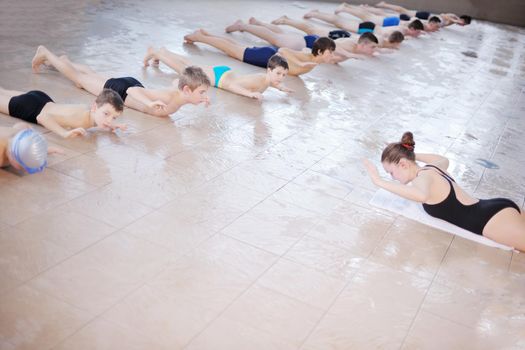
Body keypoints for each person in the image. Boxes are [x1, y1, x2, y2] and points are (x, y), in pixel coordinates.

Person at [363, 132, 525, 251]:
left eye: (391, 172)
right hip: (495, 208)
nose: (392, 177)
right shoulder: (433, 168)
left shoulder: (422, 179)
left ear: (403, 164)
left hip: (491, 221)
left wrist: (379, 181)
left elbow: (421, 195)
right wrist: (409, 154)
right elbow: (443, 159)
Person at [31, 45, 210, 118]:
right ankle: (46, 53)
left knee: (89, 78)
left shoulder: (180, 92)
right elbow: (132, 92)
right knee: (79, 79)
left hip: (130, 84)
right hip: (123, 90)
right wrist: (150, 102)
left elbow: (176, 82)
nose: (204, 96)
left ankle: (63, 62)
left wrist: (199, 97)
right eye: (202, 93)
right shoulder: (166, 98)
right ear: (186, 90)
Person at [143, 47, 292, 101]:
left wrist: (280, 87)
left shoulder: (265, 79)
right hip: (219, 78)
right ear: (269, 70)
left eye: (284, 75)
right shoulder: (259, 80)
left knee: (188, 63)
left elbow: (269, 82)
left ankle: (163, 52)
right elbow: (233, 86)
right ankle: (156, 53)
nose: (280, 77)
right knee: (184, 70)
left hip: (225, 72)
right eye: (278, 73)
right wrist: (249, 94)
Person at [183, 29, 335, 76]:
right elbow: (283, 50)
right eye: (330, 52)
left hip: (267, 55)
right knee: (232, 49)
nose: (332, 56)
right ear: (320, 52)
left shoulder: (313, 59)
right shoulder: (307, 58)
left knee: (234, 47)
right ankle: (199, 37)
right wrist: (300, 62)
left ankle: (205, 34)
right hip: (266, 57)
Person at [225, 18, 382, 59]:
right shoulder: (350, 45)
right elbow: (335, 46)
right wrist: (348, 55)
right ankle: (242, 26)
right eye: (372, 47)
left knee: (278, 35)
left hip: (307, 42)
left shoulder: (355, 47)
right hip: (304, 43)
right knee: (274, 37)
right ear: (363, 44)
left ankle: (256, 23)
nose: (373, 50)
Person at [0, 85, 124, 138]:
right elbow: (42, 117)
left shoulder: (92, 114)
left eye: (113, 117)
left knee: (3, 91)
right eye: (106, 114)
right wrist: (64, 133)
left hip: (42, 99)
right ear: (94, 108)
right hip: (31, 107)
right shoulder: (79, 117)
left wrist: (109, 125)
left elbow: (96, 121)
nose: (109, 120)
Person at [271, 15, 404, 51]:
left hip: (344, 35)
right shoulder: (380, 43)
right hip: (341, 36)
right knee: (311, 29)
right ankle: (286, 20)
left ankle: (287, 20)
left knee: (311, 29)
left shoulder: (383, 41)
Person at [303, 9, 423, 38]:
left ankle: (317, 14)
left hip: (370, 28)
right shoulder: (401, 30)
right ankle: (316, 14)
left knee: (340, 23)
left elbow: (413, 21)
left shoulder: (404, 28)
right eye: (417, 32)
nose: (417, 34)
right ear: (413, 29)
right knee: (339, 23)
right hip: (369, 29)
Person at [338, 4, 442, 32]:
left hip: (391, 22)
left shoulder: (422, 25)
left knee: (366, 15)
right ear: (431, 23)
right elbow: (412, 22)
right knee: (366, 16)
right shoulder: (422, 24)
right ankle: (345, 8)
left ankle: (348, 7)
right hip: (387, 22)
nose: (436, 28)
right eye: (436, 26)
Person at [373, 1, 472, 26]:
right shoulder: (453, 17)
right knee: (403, 10)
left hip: (426, 19)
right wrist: (454, 20)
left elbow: (441, 24)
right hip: (426, 15)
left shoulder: (453, 22)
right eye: (464, 24)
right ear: (463, 20)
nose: (462, 25)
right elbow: (443, 15)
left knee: (402, 13)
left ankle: (383, 6)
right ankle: (385, 4)